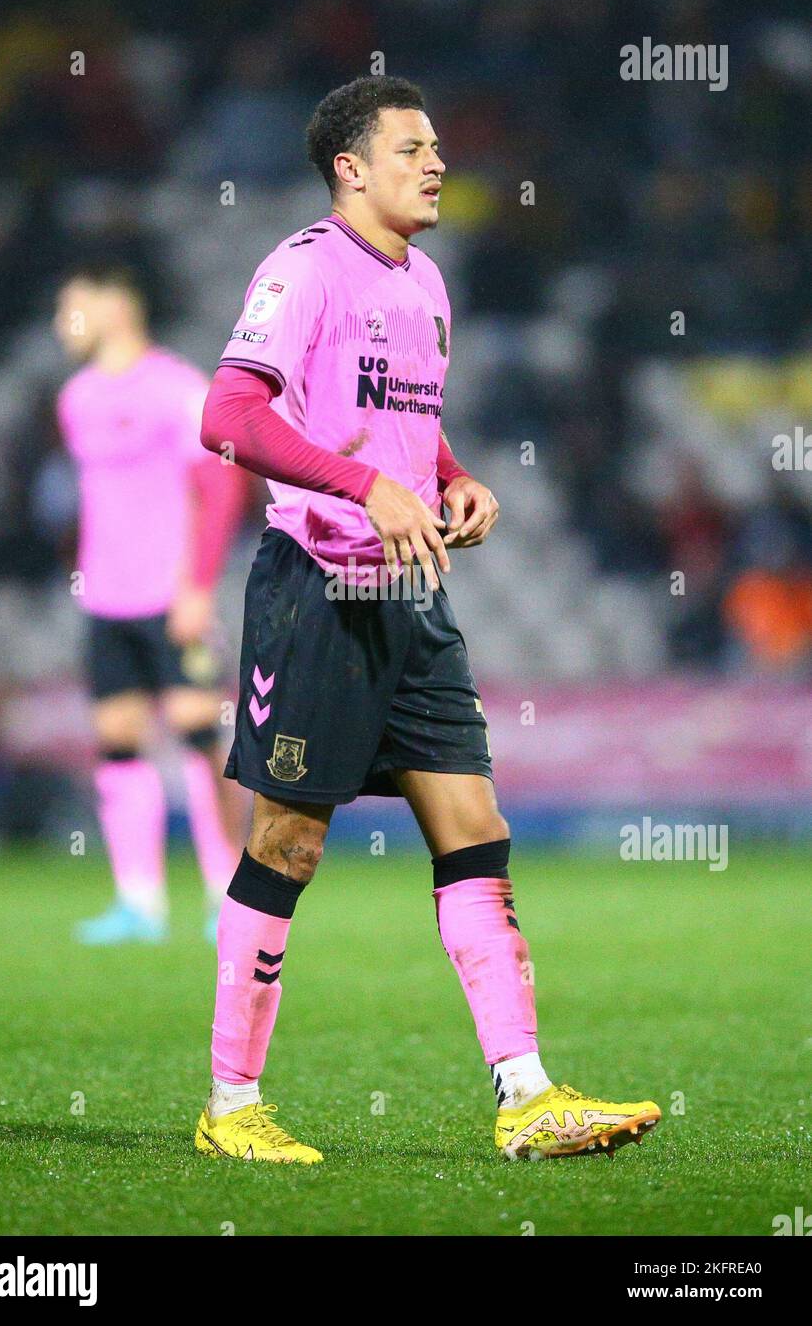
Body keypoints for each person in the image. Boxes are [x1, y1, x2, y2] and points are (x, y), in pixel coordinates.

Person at [195, 77, 661, 1162]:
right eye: (413, 147)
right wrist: (363, 494)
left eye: (438, 146)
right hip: (316, 587)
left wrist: (454, 480)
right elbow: (227, 413)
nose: (437, 162)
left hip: (412, 593)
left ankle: (526, 1093)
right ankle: (232, 1107)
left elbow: (405, 425)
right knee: (287, 840)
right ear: (350, 167)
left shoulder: (431, 283)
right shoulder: (302, 269)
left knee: (472, 827)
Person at [54, 263, 250, 944]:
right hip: (106, 601)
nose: (60, 323)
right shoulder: (75, 397)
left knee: (200, 740)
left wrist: (197, 586)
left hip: (172, 600)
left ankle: (229, 897)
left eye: (71, 308)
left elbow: (223, 489)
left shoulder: (176, 388)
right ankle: (138, 902)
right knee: (117, 743)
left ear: (115, 305)